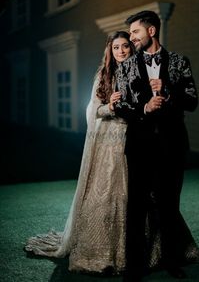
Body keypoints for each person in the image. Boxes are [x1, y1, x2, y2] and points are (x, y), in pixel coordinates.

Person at [24, 31, 132, 273]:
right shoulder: (103, 75)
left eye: (125, 46)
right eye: (116, 47)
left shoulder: (138, 73)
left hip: (131, 140)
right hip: (108, 141)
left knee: (128, 195)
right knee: (104, 194)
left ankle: (129, 249)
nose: (121, 51)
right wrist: (110, 107)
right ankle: (101, 249)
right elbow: (92, 111)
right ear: (110, 51)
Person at [114, 11, 199, 281]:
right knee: (137, 207)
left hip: (172, 144)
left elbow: (192, 100)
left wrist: (169, 91)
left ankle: (172, 261)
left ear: (151, 31)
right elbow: (120, 106)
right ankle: (135, 265)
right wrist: (144, 107)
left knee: (169, 205)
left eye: (135, 32)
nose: (131, 38)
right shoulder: (125, 67)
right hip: (139, 146)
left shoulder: (179, 61)